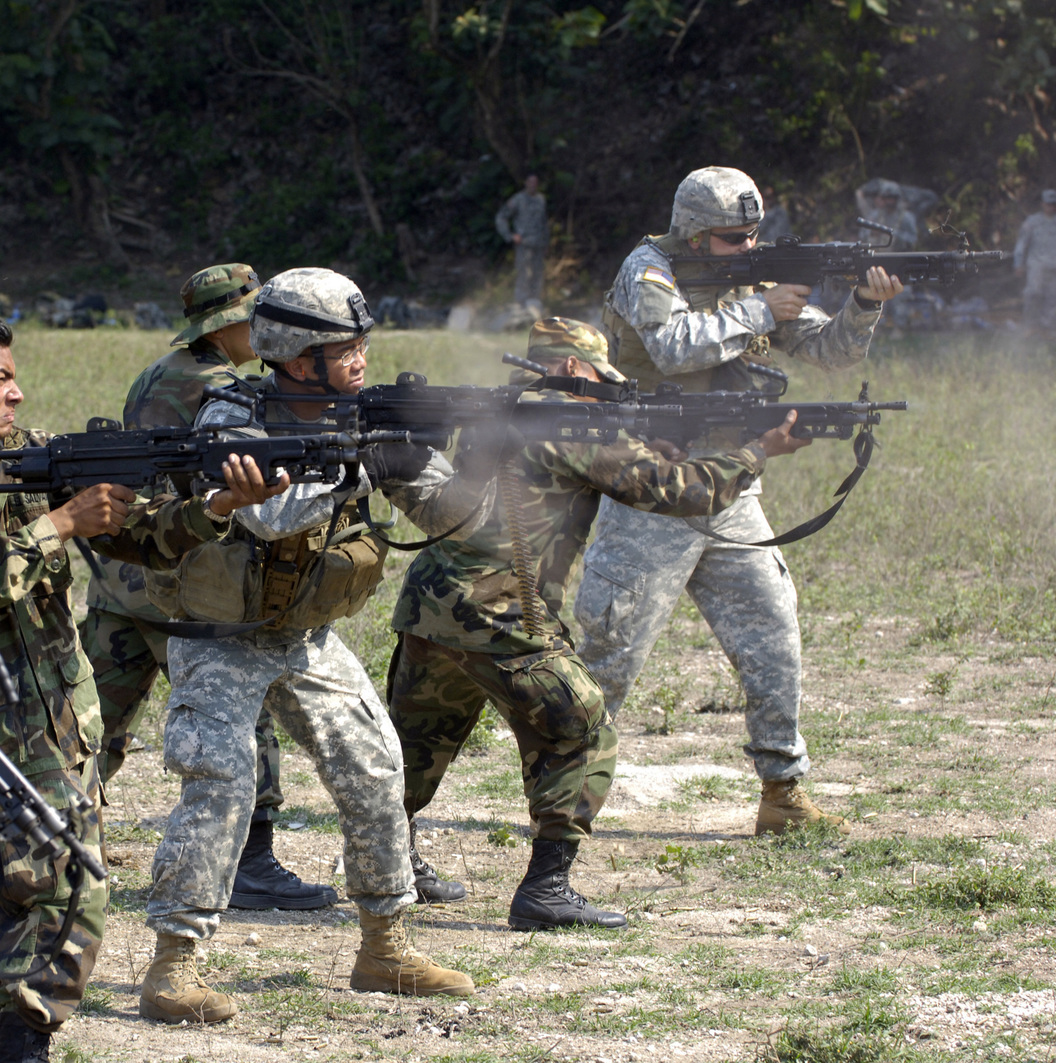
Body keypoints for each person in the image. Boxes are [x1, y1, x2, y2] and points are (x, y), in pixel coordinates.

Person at [0, 310, 283, 1063]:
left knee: (30, 890)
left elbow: (140, 533)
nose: (18, 395)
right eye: (2, 379)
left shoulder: (31, 456)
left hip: (63, 716)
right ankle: (25, 1049)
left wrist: (217, 506)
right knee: (72, 891)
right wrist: (60, 522)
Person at [140, 267, 495, 1025]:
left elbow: (457, 518)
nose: (363, 358)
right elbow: (271, 515)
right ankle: (173, 964)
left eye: (365, 344)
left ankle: (384, 946)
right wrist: (366, 463)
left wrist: (461, 456)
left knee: (375, 765)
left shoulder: (358, 415)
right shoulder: (229, 415)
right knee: (221, 781)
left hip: (303, 634)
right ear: (301, 359)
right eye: (348, 347)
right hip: (220, 635)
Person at [388, 317, 812, 928]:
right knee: (584, 731)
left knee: (416, 746)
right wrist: (757, 451)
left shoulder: (503, 415)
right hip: (504, 613)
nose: (605, 391)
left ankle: (388, 863)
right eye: (597, 377)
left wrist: (639, 449)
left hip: (432, 607)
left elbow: (562, 476)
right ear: (570, 369)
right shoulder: (574, 423)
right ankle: (546, 888)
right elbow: (679, 491)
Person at [578, 166, 904, 836]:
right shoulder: (649, 271)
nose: (748, 248)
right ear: (695, 236)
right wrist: (760, 308)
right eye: (733, 238)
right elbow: (669, 348)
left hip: (731, 486)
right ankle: (564, 800)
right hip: (653, 488)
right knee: (609, 655)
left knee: (772, 632)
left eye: (755, 235)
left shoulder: (748, 278)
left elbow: (829, 349)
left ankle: (782, 794)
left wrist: (864, 305)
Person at [79, 263, 335, 911]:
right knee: (243, 706)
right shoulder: (230, 392)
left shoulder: (155, 374)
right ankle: (252, 860)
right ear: (231, 324)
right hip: (181, 575)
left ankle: (66, 838)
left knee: (97, 721)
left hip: (121, 572)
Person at [496, 174, 548, 310]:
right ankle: (521, 302)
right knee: (523, 273)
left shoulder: (541, 200)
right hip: (523, 243)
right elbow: (501, 217)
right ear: (525, 183)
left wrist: (546, 242)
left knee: (538, 273)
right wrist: (510, 235)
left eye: (535, 182)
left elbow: (544, 223)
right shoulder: (518, 199)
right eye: (530, 182)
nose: (533, 185)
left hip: (538, 243)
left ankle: (534, 301)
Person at [1015, 189, 1056, 333]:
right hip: (1036, 265)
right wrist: (1018, 263)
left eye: (1053, 204)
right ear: (1042, 204)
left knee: (1053, 297)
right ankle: (1029, 325)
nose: (1051, 207)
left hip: (1054, 266)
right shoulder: (1032, 222)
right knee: (1033, 294)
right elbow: (1021, 243)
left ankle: (1049, 328)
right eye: (1048, 204)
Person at [858, 179, 919, 251]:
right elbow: (862, 234)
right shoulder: (875, 215)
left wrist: (894, 234)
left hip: (899, 256)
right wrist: (872, 232)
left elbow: (913, 239)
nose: (889, 201)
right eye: (886, 198)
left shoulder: (906, 217)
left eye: (891, 198)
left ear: (896, 199)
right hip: (878, 256)